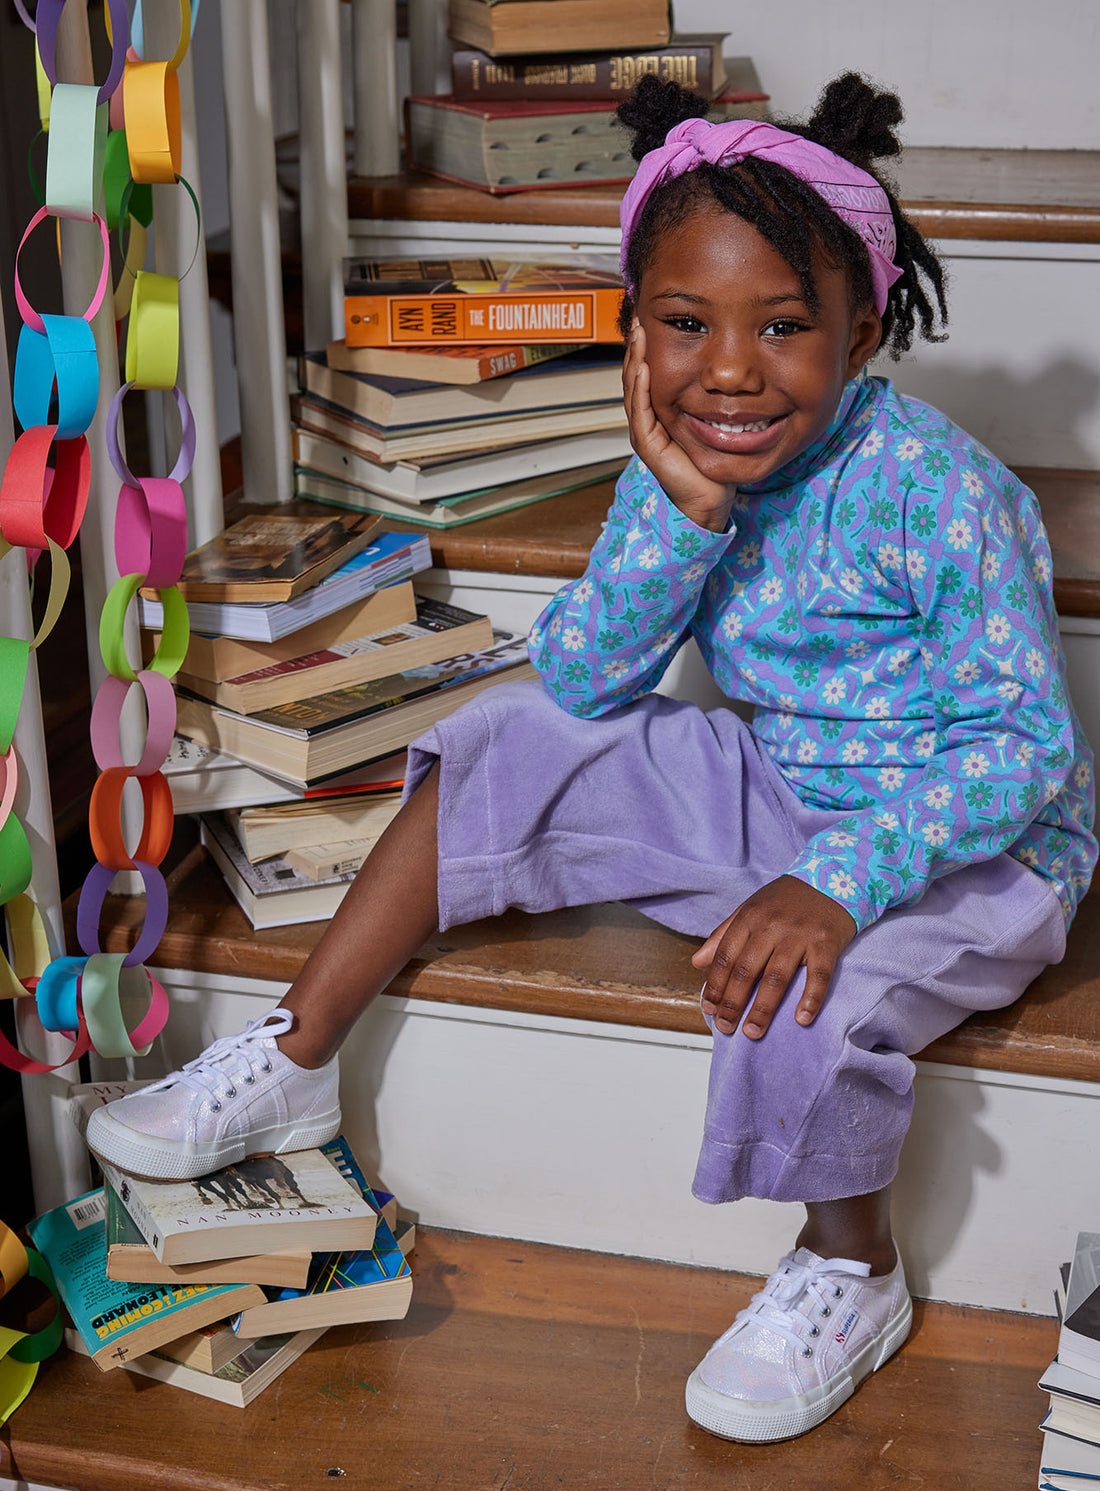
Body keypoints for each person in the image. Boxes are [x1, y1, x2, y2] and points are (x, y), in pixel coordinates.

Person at [87, 73, 1096, 1443]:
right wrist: (680, 513)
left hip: (979, 854)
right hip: (784, 791)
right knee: (512, 726)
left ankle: (852, 1266)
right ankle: (297, 1052)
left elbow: (1024, 746)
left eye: (783, 326)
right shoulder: (679, 462)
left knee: (806, 986)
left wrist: (838, 883)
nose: (729, 370)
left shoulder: (946, 489)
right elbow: (583, 681)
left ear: (863, 330)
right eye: (684, 325)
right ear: (635, 332)